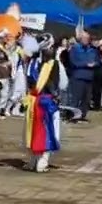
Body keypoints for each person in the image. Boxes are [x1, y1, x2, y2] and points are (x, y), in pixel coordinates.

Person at [22, 33, 68, 172]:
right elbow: (56, 83)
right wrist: (55, 95)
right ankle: (41, 161)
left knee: (32, 130)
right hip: (45, 101)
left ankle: (33, 160)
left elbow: (29, 82)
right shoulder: (52, 64)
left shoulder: (31, 64)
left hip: (34, 99)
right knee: (47, 130)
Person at [67, 30, 97, 121]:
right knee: (75, 98)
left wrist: (95, 64)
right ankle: (72, 116)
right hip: (78, 77)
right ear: (80, 39)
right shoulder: (75, 49)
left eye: (87, 38)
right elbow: (73, 62)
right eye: (84, 38)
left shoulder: (93, 50)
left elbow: (98, 61)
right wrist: (86, 64)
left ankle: (82, 115)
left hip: (89, 77)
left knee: (86, 99)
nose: (86, 40)